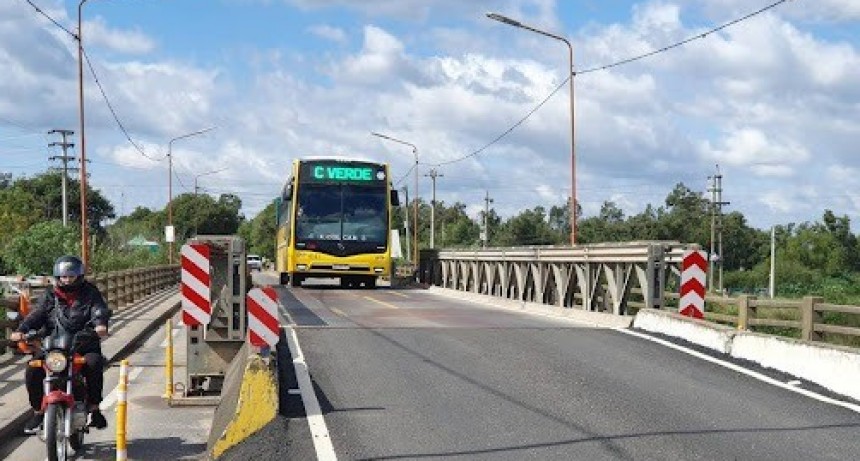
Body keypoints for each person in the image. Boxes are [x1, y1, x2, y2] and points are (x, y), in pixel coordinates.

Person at [9, 255, 112, 435]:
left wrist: (100, 324)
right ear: (58, 277)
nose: (67, 280)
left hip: (84, 344)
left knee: (94, 364)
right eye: (63, 276)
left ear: (78, 276)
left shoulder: (90, 292)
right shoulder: (50, 295)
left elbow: (99, 310)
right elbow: (37, 314)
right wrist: (22, 329)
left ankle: (95, 408)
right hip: (54, 347)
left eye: (71, 276)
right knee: (33, 369)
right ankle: (38, 412)